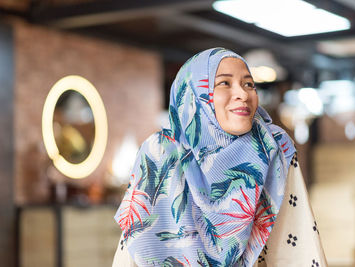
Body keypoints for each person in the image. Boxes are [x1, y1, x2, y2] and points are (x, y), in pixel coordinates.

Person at [112, 48, 327, 266]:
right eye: (224, 83)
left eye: (248, 84)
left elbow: (298, 245)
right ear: (193, 93)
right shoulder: (160, 153)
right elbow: (133, 247)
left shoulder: (271, 145)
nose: (243, 94)